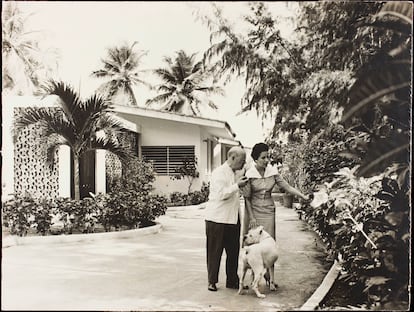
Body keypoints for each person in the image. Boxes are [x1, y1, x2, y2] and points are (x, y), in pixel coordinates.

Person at [243, 142, 309, 239]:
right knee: (253, 241)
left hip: (268, 211)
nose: (267, 160)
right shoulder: (249, 175)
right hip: (253, 212)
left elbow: (288, 187)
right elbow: (247, 198)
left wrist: (303, 196)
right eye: (263, 158)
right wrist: (252, 218)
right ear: (256, 159)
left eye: (268, 157)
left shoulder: (272, 172)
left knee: (268, 240)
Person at [205, 146, 249, 292]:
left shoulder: (234, 173)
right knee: (214, 252)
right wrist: (237, 186)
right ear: (232, 158)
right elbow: (221, 195)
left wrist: (239, 185)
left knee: (233, 252)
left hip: (232, 218)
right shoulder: (218, 173)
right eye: (242, 161)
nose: (243, 164)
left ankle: (232, 280)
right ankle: (212, 281)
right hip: (217, 218)